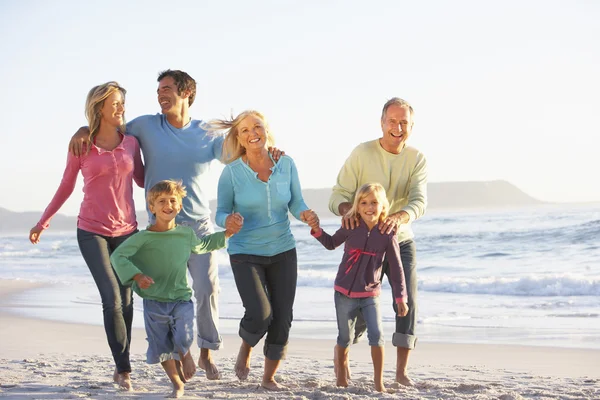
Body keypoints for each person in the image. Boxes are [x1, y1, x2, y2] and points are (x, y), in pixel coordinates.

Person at [68, 70, 281, 379]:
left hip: (197, 227)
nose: (160, 94)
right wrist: (82, 129)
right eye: (158, 90)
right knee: (164, 295)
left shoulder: (206, 133)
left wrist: (266, 150)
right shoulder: (144, 125)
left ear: (186, 93)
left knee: (206, 289)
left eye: (166, 89)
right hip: (160, 230)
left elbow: (237, 155)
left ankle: (206, 353)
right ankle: (177, 352)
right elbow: (107, 125)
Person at [29, 82, 144, 390]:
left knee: (128, 300)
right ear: (99, 108)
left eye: (122, 103)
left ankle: (122, 361)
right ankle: (124, 369)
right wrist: (44, 222)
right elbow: (66, 185)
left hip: (129, 232)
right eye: (115, 104)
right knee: (112, 299)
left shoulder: (132, 142)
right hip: (92, 231)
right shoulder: (82, 144)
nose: (121, 108)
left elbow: (146, 180)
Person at [213, 110, 319, 391]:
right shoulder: (232, 173)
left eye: (257, 127)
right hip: (245, 251)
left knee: (283, 315)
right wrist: (228, 221)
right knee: (261, 313)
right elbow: (220, 211)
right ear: (239, 138)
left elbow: (296, 202)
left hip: (283, 249)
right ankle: (246, 347)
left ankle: (268, 377)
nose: (252, 133)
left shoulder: (286, 164)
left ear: (266, 130)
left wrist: (305, 213)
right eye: (245, 130)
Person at [328, 97, 427, 386]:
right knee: (359, 311)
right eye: (392, 121)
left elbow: (419, 201)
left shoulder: (417, 159)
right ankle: (342, 356)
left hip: (400, 240)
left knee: (406, 299)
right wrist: (348, 211)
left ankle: (400, 372)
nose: (398, 127)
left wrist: (399, 217)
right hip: (364, 244)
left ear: (411, 126)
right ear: (382, 123)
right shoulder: (362, 153)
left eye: (404, 122)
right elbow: (338, 194)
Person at [110, 180, 238, 399]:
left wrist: (227, 233)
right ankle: (177, 384)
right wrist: (137, 276)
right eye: (161, 201)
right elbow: (117, 256)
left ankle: (187, 354)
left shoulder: (186, 235)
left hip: (180, 298)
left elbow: (203, 246)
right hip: (153, 300)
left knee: (185, 334)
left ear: (179, 206)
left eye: (173, 201)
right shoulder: (143, 238)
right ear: (152, 207)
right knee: (161, 345)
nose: (167, 205)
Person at [312, 183, 408, 392]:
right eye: (363, 203)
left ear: (383, 206)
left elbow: (397, 268)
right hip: (344, 293)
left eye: (374, 202)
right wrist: (317, 230)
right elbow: (330, 243)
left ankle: (378, 383)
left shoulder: (387, 233)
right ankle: (341, 376)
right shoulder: (350, 226)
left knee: (377, 335)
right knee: (345, 338)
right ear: (357, 205)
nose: (369, 207)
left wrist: (401, 298)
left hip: (370, 294)